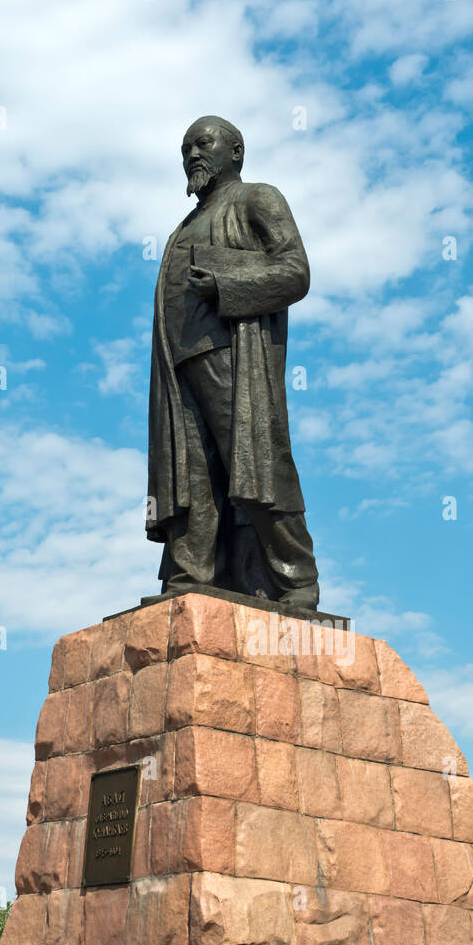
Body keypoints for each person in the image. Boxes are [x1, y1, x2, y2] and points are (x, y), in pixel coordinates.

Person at [146, 115, 320, 609]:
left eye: (203, 144)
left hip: (233, 357)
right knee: (191, 473)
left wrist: (225, 287)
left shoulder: (258, 199)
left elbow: (295, 272)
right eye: (185, 149)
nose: (193, 155)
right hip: (180, 365)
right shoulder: (183, 227)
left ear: (236, 151)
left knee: (258, 466)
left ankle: (297, 580)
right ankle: (192, 574)